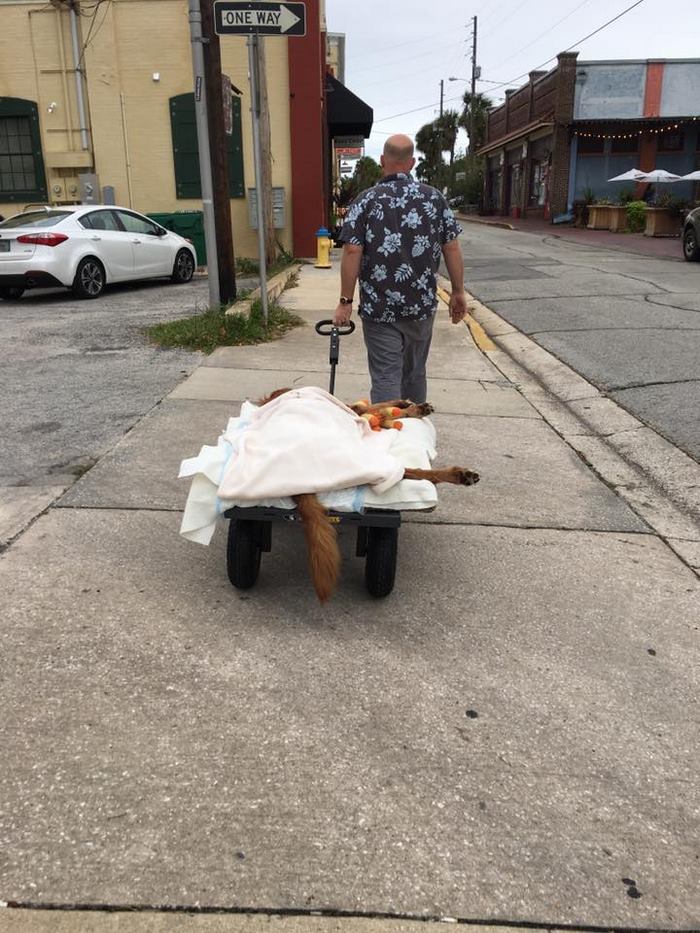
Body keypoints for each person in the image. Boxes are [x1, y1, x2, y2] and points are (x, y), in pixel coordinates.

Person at [333, 134, 468, 404]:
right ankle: (414, 437)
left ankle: (390, 436)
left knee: (386, 377)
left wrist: (345, 301)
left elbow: (351, 251)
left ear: (382, 160)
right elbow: (451, 247)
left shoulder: (365, 201)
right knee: (415, 374)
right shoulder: (434, 199)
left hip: (379, 309)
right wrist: (458, 291)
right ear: (412, 163)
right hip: (420, 307)